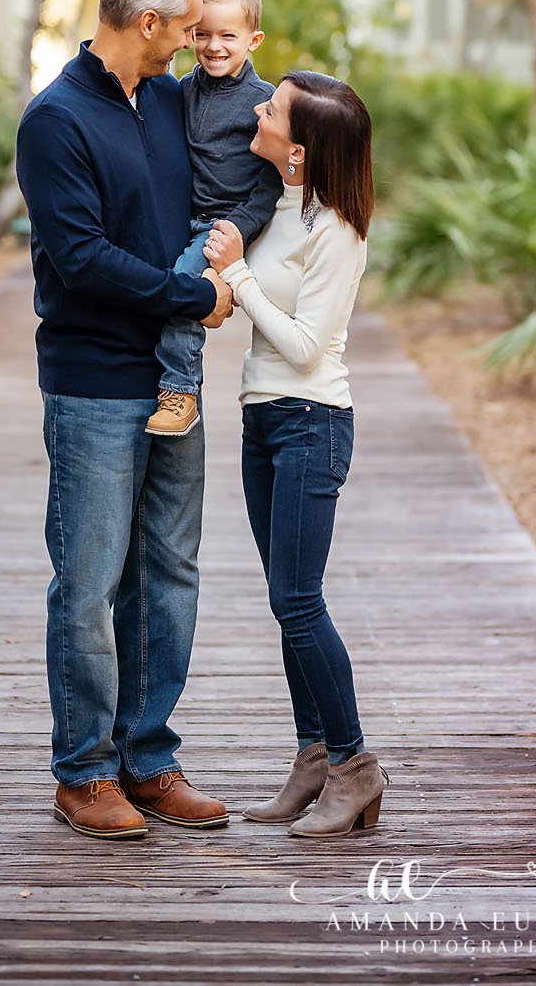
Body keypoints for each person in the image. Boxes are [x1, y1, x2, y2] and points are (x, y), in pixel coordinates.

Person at [15, 0, 233, 841]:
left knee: (169, 575)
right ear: (147, 24)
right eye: (185, 29)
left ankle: (147, 760)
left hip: (174, 385)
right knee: (92, 582)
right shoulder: (55, 120)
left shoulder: (178, 103)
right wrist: (196, 295)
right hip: (95, 384)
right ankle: (84, 773)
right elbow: (82, 260)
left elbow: (249, 141)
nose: (191, 43)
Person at [204, 70, 387, 838]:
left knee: (298, 601)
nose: (258, 109)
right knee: (288, 601)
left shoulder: (337, 230)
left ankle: (355, 766)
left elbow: (309, 348)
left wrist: (239, 278)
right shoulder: (279, 205)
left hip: (313, 420)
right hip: (264, 419)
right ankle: (313, 756)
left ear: (302, 151)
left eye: (273, 109)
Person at [146, 0, 283, 439]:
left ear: (253, 39)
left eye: (228, 35)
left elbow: (270, 186)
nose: (213, 46)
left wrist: (236, 232)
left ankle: (180, 389)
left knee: (185, 290)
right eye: (202, 33)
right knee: (156, 285)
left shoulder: (263, 104)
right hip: (182, 218)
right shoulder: (183, 89)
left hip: (224, 223)